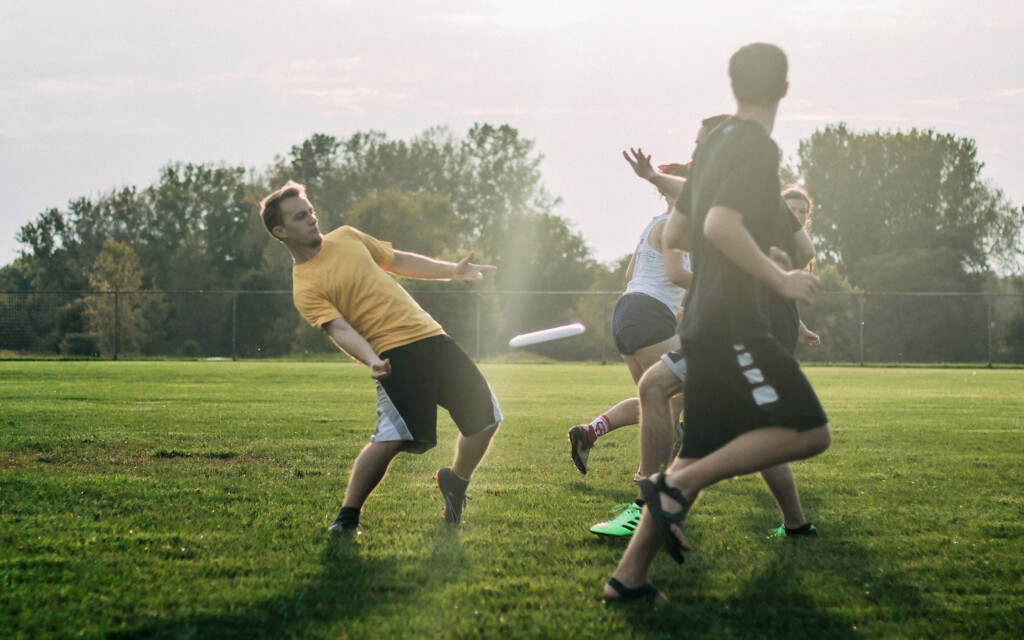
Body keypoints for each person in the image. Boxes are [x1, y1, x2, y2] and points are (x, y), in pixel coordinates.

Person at [604, 43, 831, 604]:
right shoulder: (755, 145)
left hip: (702, 318)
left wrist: (748, 245)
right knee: (808, 431)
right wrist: (778, 280)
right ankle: (671, 487)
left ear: (733, 86)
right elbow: (724, 224)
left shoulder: (716, 145)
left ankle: (628, 580)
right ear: (784, 87)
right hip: (736, 322)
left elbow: (681, 234)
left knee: (697, 450)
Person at [259, 181, 502, 536]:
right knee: (392, 436)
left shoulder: (347, 237)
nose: (312, 219)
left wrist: (451, 270)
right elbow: (339, 329)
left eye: (310, 210)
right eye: (300, 216)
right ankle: (347, 517)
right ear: (280, 231)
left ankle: (456, 482)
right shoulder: (305, 285)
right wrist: (371, 358)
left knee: (486, 419)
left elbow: (398, 260)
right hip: (392, 353)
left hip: (432, 335)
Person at [569, 121, 730, 538]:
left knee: (656, 402)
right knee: (676, 397)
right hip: (646, 314)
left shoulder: (653, 224)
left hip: (629, 313)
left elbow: (631, 274)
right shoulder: (677, 223)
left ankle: (593, 433)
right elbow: (676, 273)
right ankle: (648, 496)